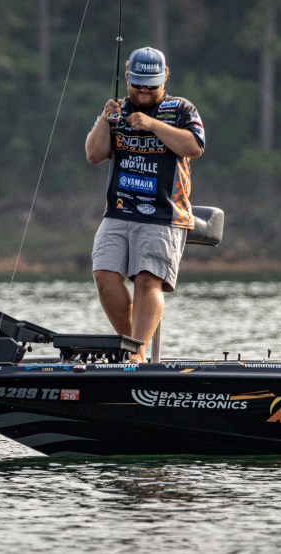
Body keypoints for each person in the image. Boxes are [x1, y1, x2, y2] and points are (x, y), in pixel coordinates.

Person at [84, 47, 205, 363]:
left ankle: (136, 354)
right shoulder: (117, 110)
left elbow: (194, 147)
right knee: (104, 273)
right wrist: (105, 119)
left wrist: (153, 125)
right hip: (119, 210)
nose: (143, 92)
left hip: (164, 214)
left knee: (147, 279)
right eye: (137, 85)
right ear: (127, 77)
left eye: (151, 86)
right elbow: (94, 154)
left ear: (165, 79)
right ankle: (130, 348)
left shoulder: (181, 109)